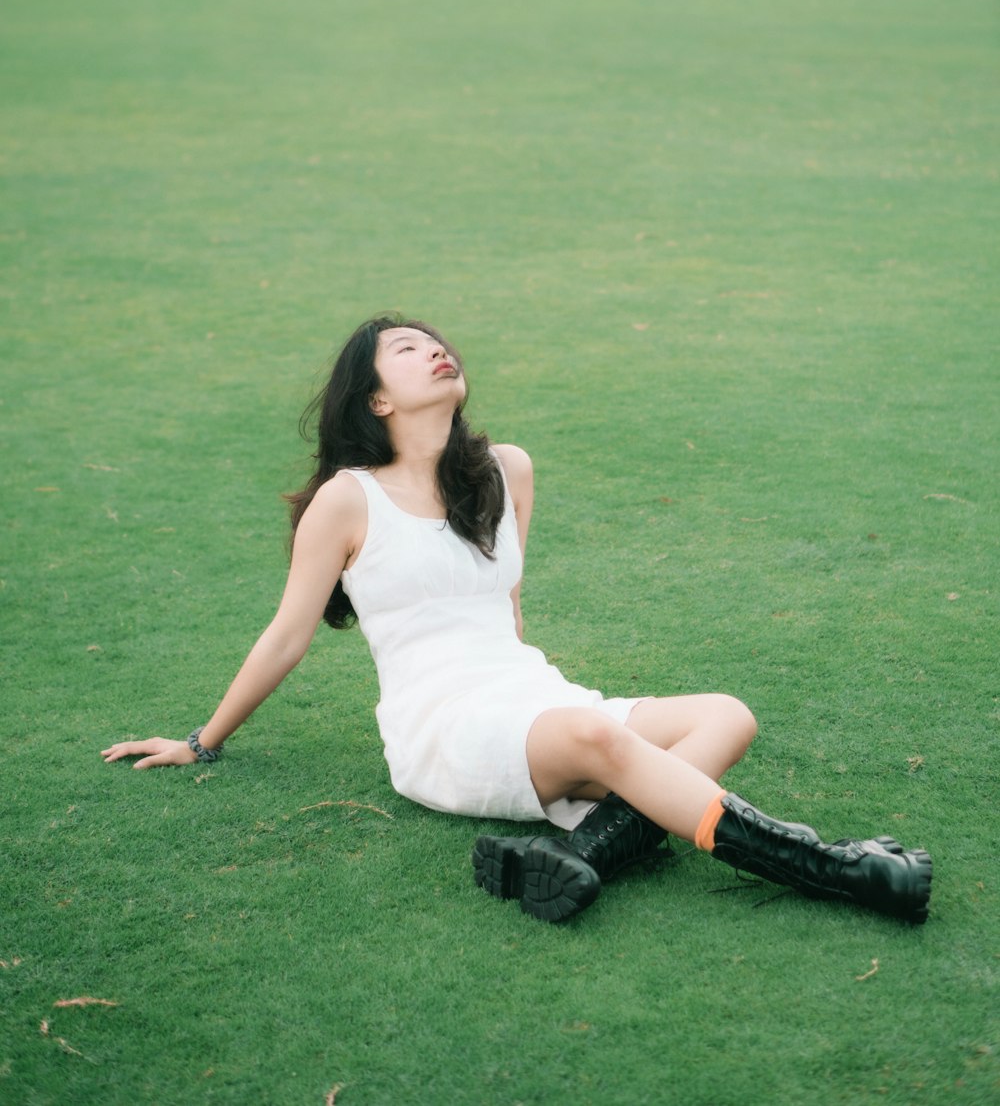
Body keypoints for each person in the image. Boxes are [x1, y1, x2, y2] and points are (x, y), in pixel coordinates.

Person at [101, 315, 932, 925]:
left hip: (526, 693)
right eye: (404, 348)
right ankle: (829, 868)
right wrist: (204, 741)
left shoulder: (507, 472)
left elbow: (506, 607)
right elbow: (287, 635)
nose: (433, 347)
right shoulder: (345, 501)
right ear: (377, 399)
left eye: (434, 339)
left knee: (726, 716)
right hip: (443, 726)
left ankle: (574, 858)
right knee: (605, 740)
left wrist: (541, 695)